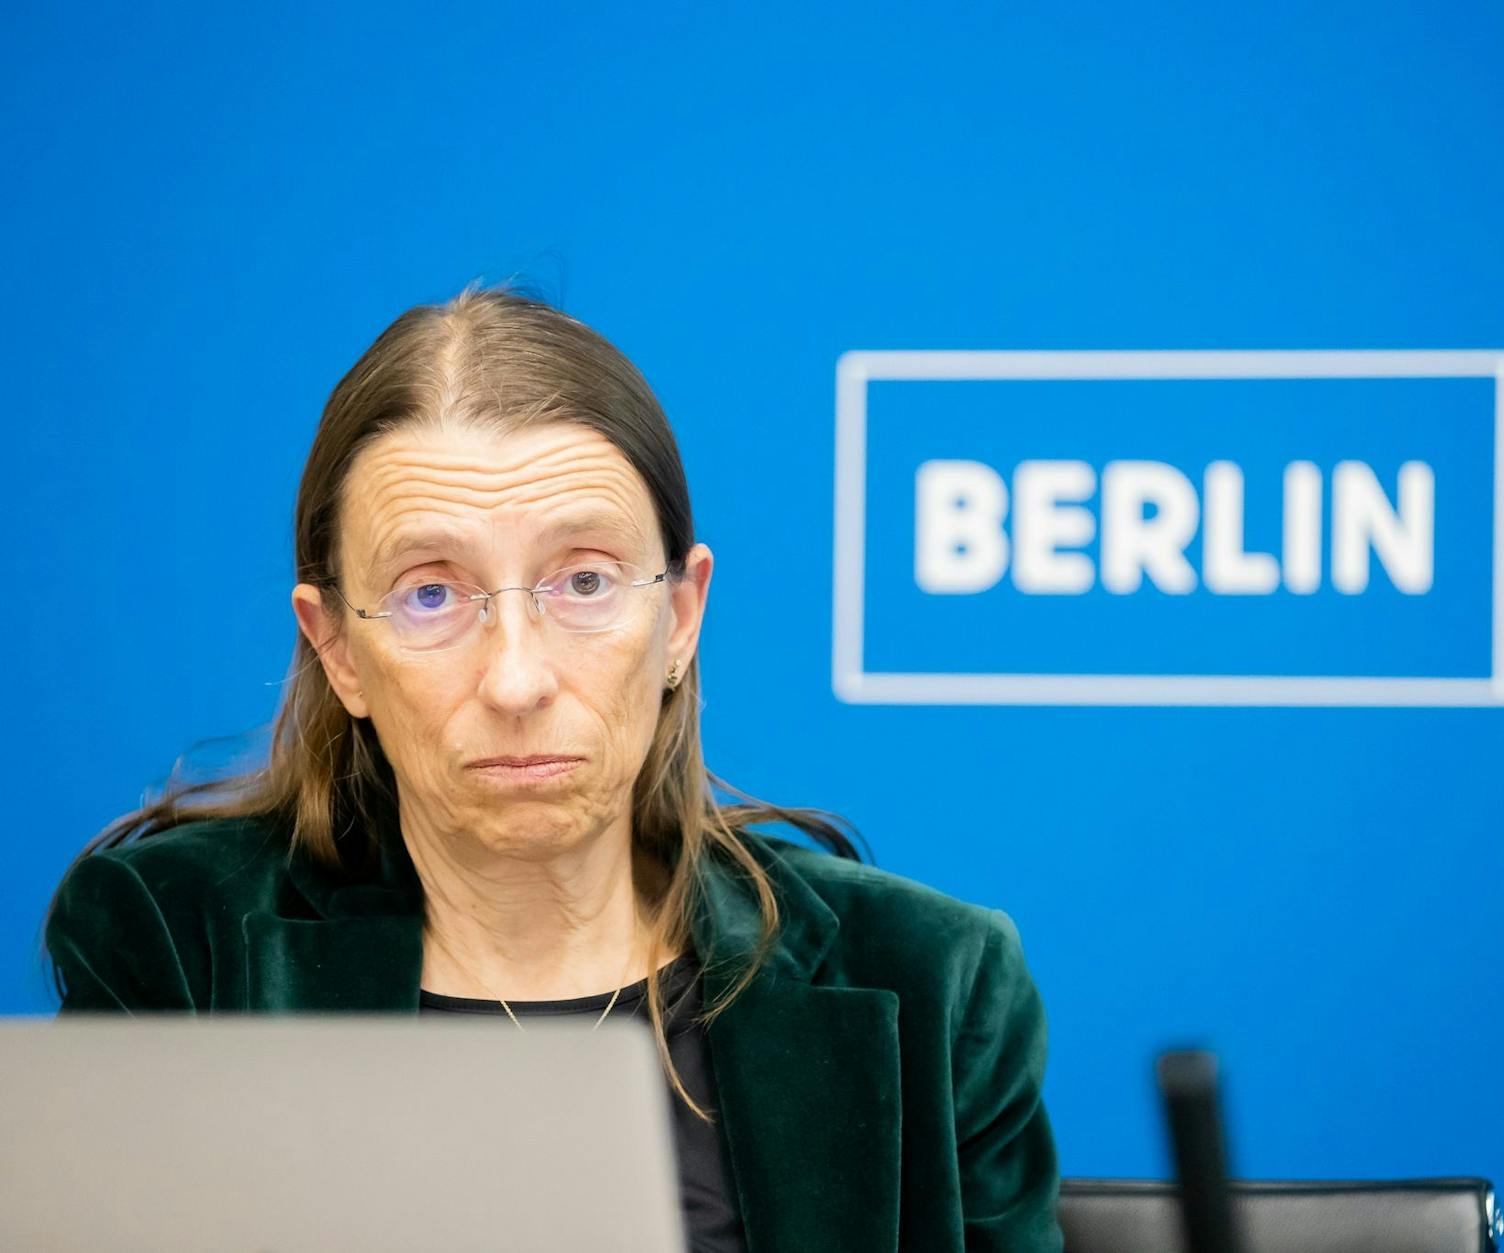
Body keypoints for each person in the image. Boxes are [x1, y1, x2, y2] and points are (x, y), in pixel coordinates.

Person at [41, 283, 1064, 1253]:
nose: (518, 677)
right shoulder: (177, 943)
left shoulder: (927, 979)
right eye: (430, 595)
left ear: (678, 614)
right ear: (337, 648)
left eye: (583, 579)